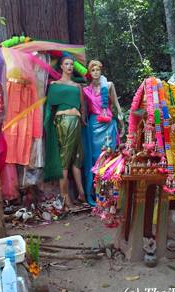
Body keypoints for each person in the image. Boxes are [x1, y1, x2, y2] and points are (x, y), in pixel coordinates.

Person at [44, 54, 86, 210]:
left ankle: (81, 194)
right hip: (63, 121)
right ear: (61, 66)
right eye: (66, 64)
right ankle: (65, 197)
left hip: (76, 121)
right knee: (65, 160)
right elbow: (49, 107)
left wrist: (83, 119)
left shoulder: (77, 86)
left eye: (71, 64)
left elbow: (82, 106)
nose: (69, 66)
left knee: (77, 159)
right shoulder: (55, 85)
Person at [82, 60, 124, 205]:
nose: (95, 72)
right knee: (95, 158)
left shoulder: (109, 85)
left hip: (108, 124)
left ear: (101, 71)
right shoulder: (86, 90)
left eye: (98, 69)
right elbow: (85, 109)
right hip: (94, 126)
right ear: (89, 73)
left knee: (109, 156)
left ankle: (112, 193)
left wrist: (121, 117)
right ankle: (96, 192)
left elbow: (116, 103)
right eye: (92, 70)